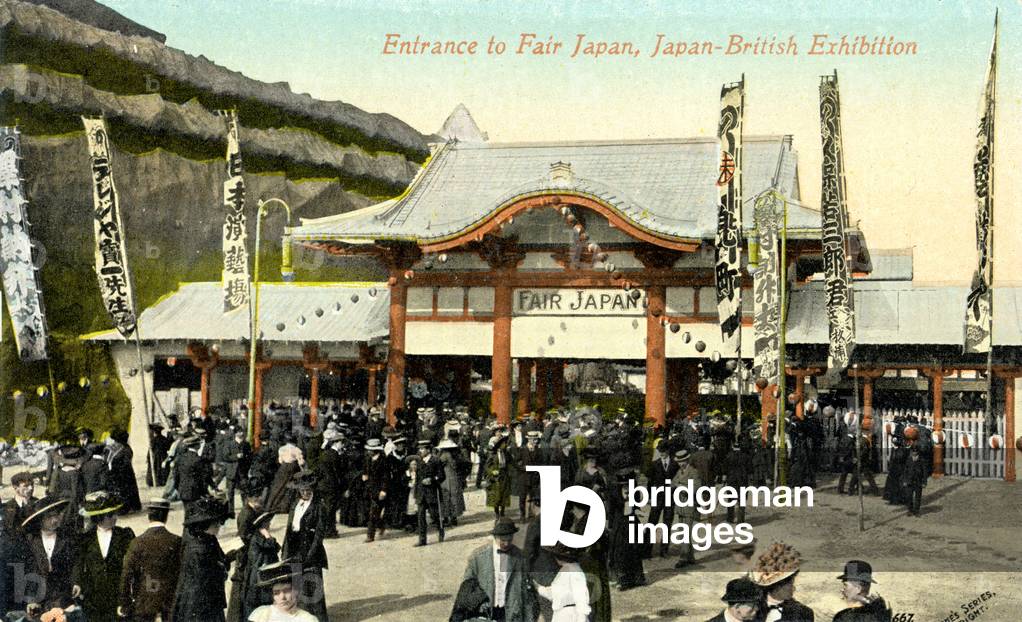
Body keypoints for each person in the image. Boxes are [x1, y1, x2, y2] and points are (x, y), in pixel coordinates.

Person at [72, 491, 136, 622]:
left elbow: (133, 562)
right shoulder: (86, 539)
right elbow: (78, 562)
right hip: (93, 594)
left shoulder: (124, 535)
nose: (115, 517)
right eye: (110, 515)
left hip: (117, 591)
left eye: (115, 514)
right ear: (99, 518)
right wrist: (77, 582)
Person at [459, 517, 537, 622]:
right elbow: (467, 587)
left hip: (512, 613)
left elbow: (528, 593)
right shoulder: (478, 557)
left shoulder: (520, 557)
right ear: (495, 537)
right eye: (503, 540)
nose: (506, 544)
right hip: (486, 613)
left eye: (510, 540)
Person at [118, 498, 181, 622]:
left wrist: (124, 602)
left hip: (144, 604)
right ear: (166, 516)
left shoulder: (137, 543)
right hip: (170, 603)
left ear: (149, 516)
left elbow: (127, 575)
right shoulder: (176, 541)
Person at [172, 495, 231, 622]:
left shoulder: (208, 539)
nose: (219, 525)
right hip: (199, 605)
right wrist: (221, 569)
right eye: (215, 522)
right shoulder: (198, 549)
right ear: (206, 525)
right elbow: (204, 580)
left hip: (208, 602)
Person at [283, 472, 329, 622]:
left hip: (310, 550)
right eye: (302, 490)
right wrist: (286, 551)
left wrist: (310, 555)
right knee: (297, 587)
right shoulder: (295, 505)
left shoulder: (319, 507)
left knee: (313, 589)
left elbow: (319, 535)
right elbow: (289, 529)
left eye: (308, 490)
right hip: (295, 549)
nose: (305, 493)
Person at [21, 496, 77, 609]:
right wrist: (30, 600)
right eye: (49, 517)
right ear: (40, 520)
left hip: (62, 595)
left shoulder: (67, 538)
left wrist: (76, 582)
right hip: (37, 597)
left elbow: (75, 563)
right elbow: (27, 569)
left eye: (56, 515)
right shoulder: (31, 541)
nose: (55, 520)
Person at [749, 542, 813, 621]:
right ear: (775, 586)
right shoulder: (748, 608)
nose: (793, 588)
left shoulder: (804, 613)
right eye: (789, 583)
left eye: (792, 580)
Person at [240, 512, 281, 621]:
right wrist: (267, 535)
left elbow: (276, 547)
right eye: (267, 523)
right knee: (258, 603)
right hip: (257, 576)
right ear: (261, 525)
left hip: (262, 574)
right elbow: (271, 546)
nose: (269, 524)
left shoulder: (261, 536)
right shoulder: (258, 537)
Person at [535, 544, 591, 622]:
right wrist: (538, 587)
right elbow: (553, 593)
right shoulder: (564, 570)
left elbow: (581, 596)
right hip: (561, 614)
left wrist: (581, 619)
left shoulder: (575, 570)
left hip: (571, 614)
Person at [246, 561, 318, 622]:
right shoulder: (261, 614)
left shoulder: (308, 619)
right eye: (276, 593)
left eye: (287, 591)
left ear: (296, 591)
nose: (282, 597)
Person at [414, 437, 446, 546]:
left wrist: (432, 480)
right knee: (421, 517)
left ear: (428, 450)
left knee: (434, 515)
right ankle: (422, 540)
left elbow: (442, 476)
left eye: (422, 449)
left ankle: (440, 530)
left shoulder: (436, 460)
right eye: (420, 449)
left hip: (432, 492)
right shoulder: (418, 461)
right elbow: (417, 479)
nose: (420, 451)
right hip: (421, 493)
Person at [363, 438, 390, 543]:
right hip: (369, 489)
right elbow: (365, 471)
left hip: (379, 490)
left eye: (371, 449)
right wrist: (364, 476)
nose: (369, 451)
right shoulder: (368, 459)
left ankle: (370, 535)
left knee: (373, 512)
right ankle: (381, 525)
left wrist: (383, 490)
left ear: (376, 450)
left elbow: (386, 477)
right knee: (373, 512)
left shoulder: (383, 461)